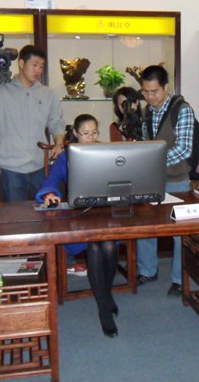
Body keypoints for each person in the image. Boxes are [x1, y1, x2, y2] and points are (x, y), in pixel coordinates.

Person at [35, 114, 120, 338]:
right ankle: (104, 307)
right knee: (94, 247)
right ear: (75, 133)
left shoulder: (106, 152)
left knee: (109, 244)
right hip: (78, 216)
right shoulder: (67, 156)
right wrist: (50, 194)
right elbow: (51, 180)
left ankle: (105, 296)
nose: (91, 138)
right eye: (85, 134)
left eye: (94, 133)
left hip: (104, 213)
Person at [0, 45, 67, 201]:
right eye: (34, 65)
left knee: (43, 213)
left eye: (41, 66)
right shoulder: (2, 90)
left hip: (40, 166)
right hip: (12, 169)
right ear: (21, 63)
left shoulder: (47, 93)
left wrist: (59, 143)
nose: (38, 70)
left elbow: (56, 122)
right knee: (16, 214)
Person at [137, 65, 194, 297]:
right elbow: (146, 143)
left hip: (177, 180)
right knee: (145, 226)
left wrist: (152, 161)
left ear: (166, 87)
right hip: (152, 179)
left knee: (180, 232)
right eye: (146, 92)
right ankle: (147, 270)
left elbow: (184, 149)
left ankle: (180, 279)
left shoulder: (182, 110)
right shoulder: (147, 111)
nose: (150, 97)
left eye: (155, 91)